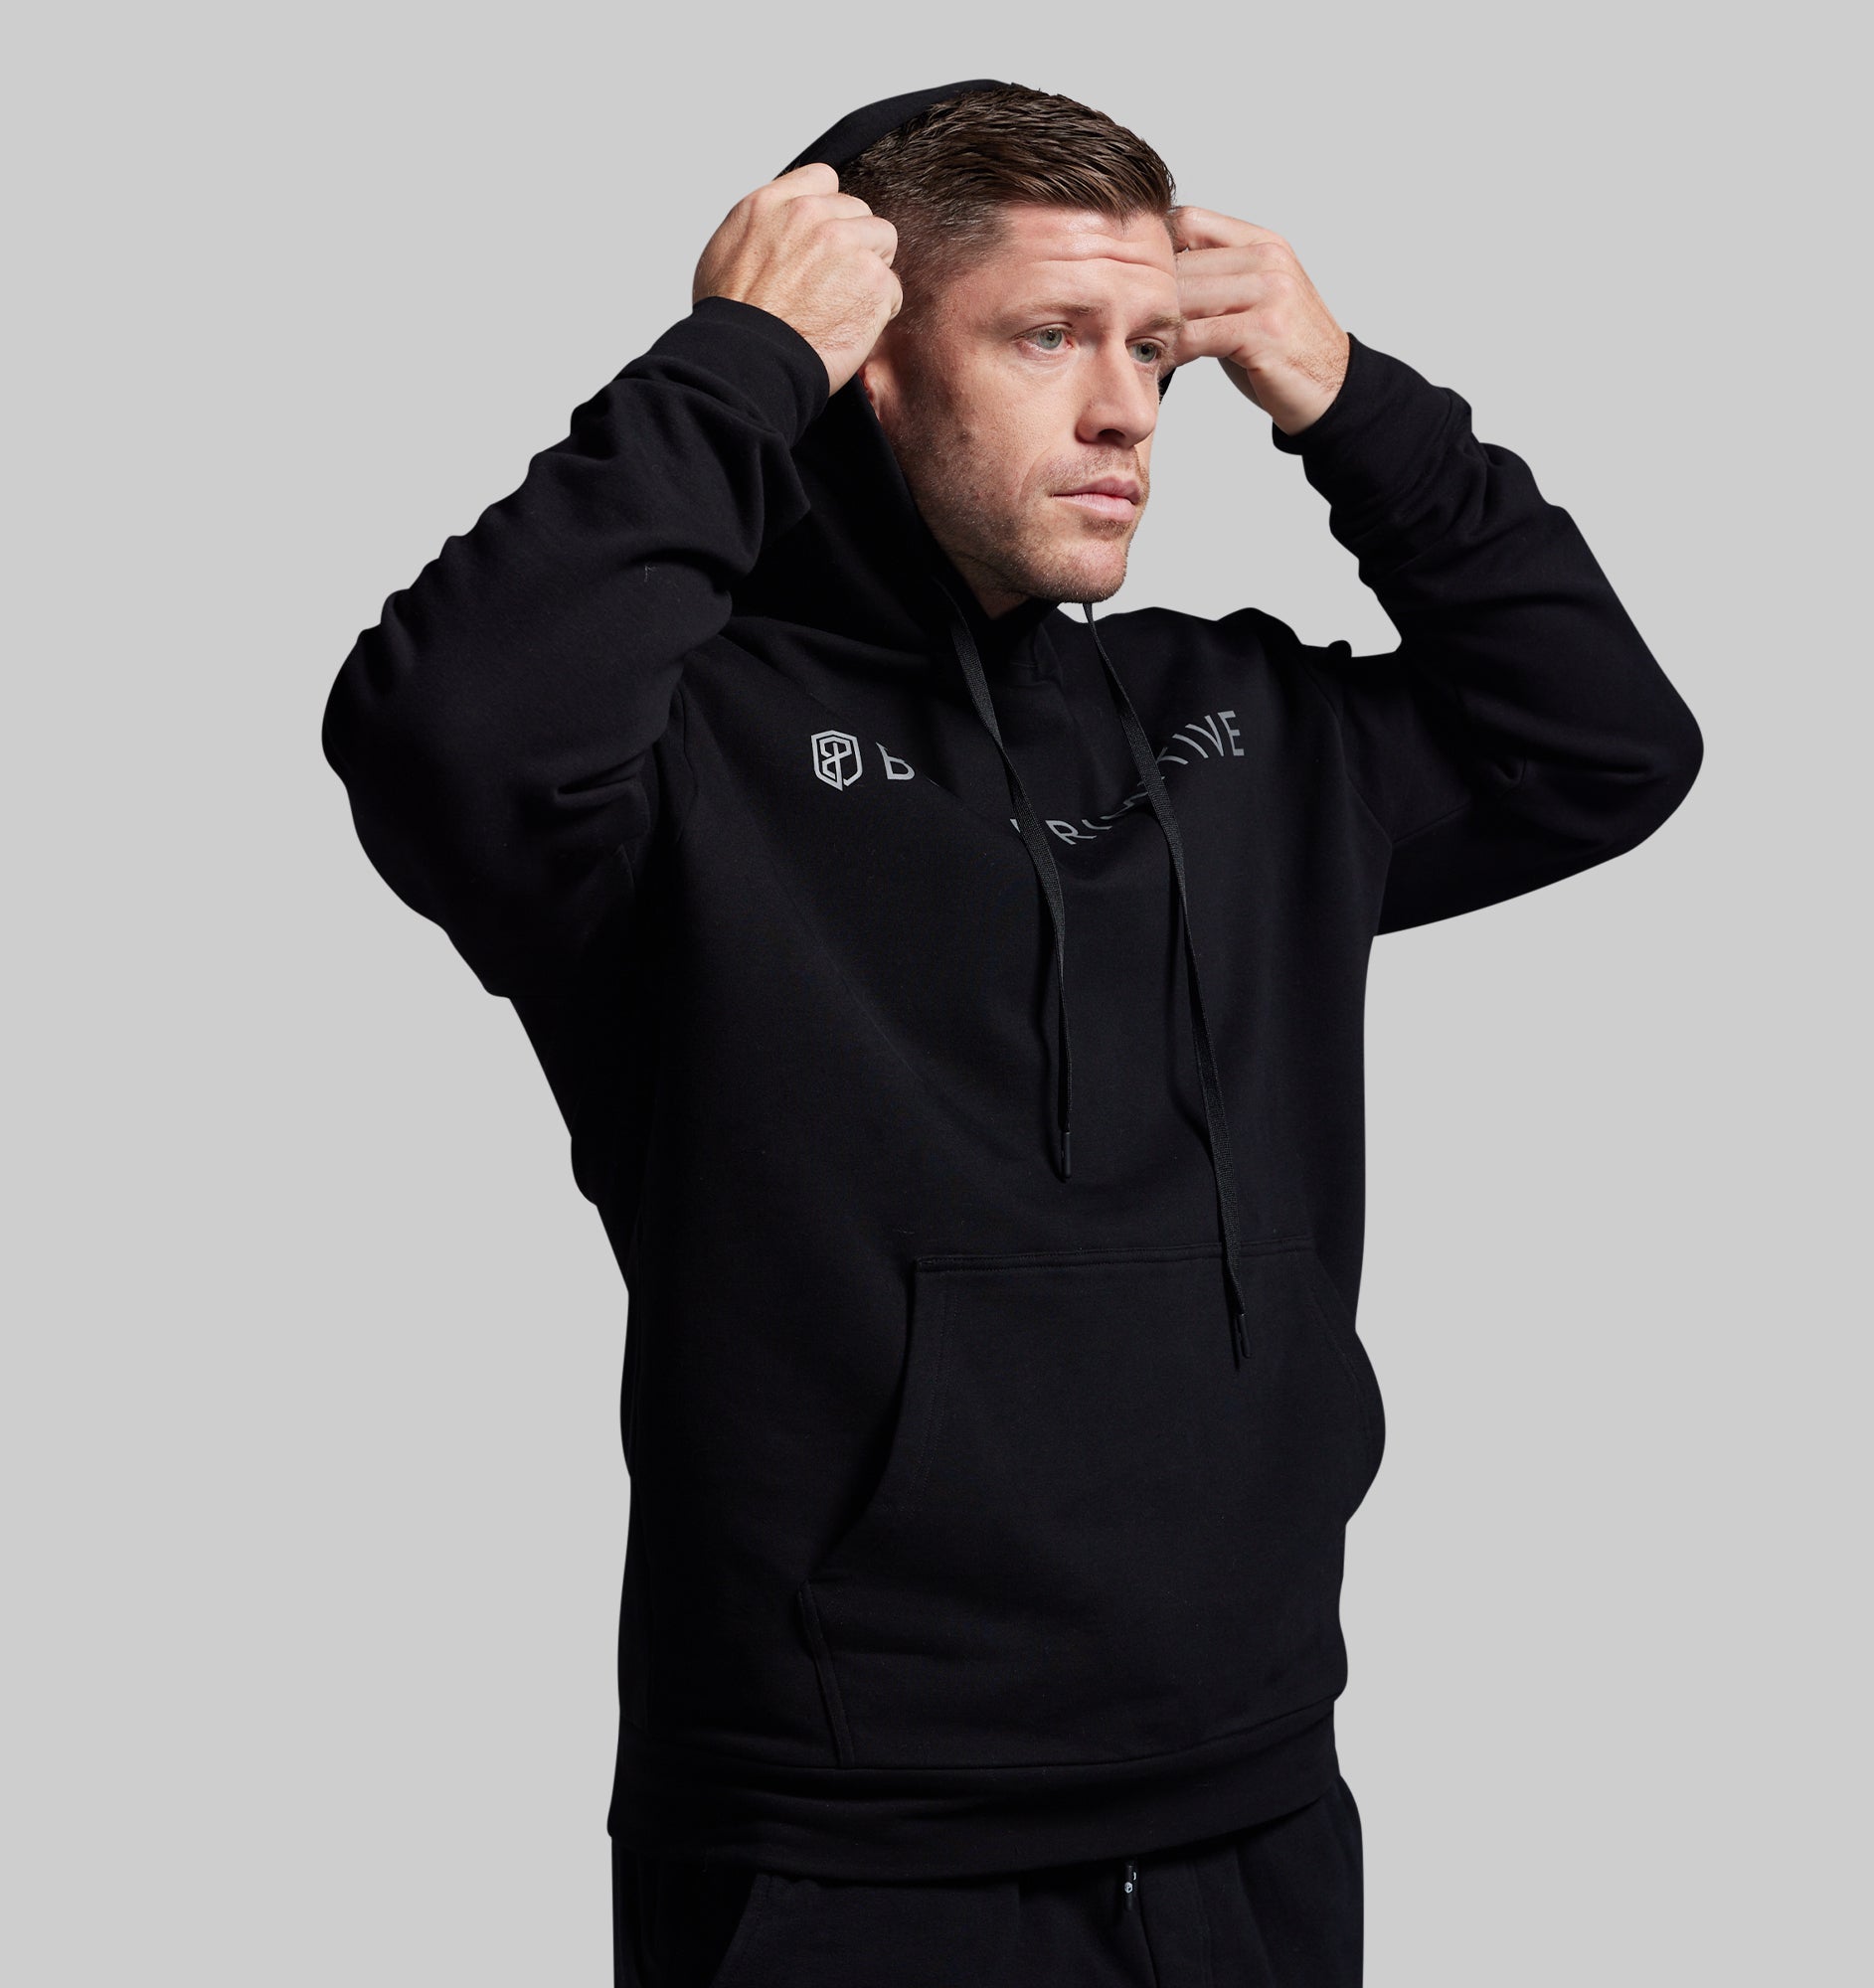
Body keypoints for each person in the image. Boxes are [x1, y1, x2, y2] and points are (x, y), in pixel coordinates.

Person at [321, 78, 1702, 1987]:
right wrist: (735, 364)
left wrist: (1353, 401)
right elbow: (444, 734)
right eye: (1050, 336)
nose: (1127, 407)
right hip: (844, 1846)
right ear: (869, 366)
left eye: (1155, 350)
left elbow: (1608, 746)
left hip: (1251, 1798)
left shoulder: (1244, 732)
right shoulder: (674, 762)